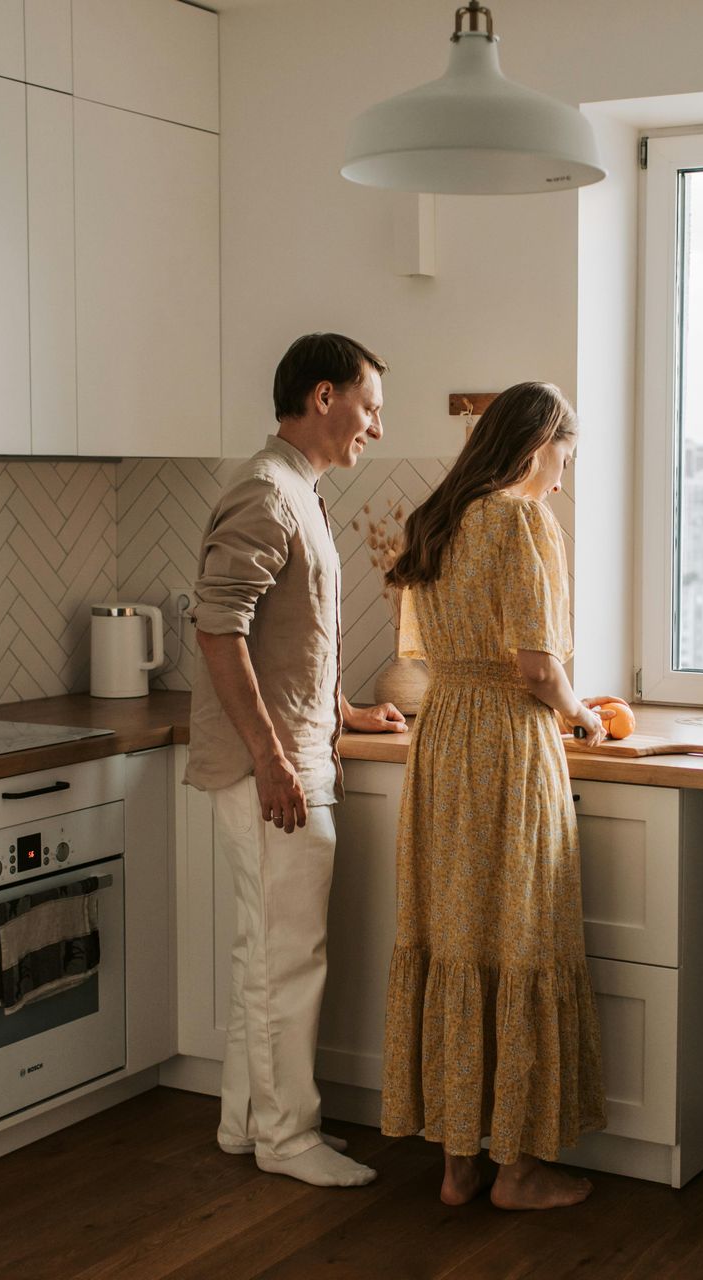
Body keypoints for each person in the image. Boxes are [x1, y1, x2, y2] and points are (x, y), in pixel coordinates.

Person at [379, 381, 609, 1211]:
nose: (561, 477)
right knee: (518, 937)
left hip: (442, 741)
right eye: (563, 458)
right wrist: (584, 717)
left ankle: (456, 1164)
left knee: (453, 938)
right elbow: (538, 669)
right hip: (509, 748)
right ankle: (516, 1168)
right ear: (535, 444)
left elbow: (436, 652)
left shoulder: (436, 520)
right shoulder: (519, 521)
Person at [186, 333, 407, 1188]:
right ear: (324, 397)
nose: (376, 430)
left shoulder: (297, 492)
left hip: (291, 752)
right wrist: (273, 758)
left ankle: (247, 1124)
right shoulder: (267, 495)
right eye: (370, 408)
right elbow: (218, 629)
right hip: (271, 771)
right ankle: (288, 1139)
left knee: (263, 953)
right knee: (288, 959)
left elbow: (289, 635)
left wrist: (345, 709)